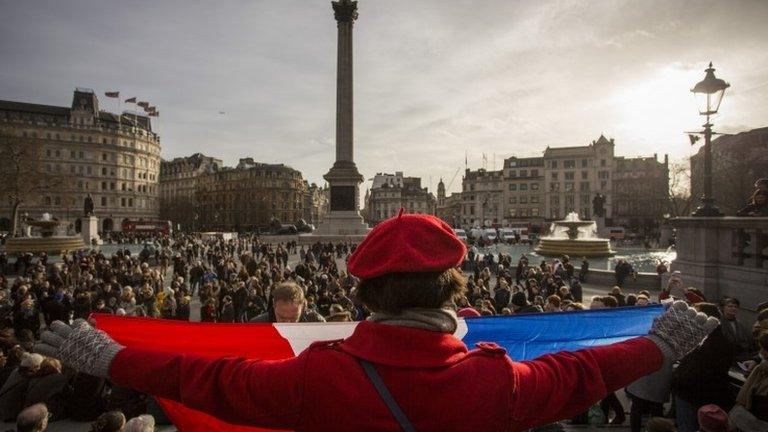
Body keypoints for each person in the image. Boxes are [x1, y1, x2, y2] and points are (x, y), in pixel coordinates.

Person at [36, 213, 718, 432]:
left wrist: (114, 356)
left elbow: (209, 377)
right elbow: (581, 370)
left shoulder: (324, 375)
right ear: (454, 284)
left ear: (365, 298)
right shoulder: (493, 383)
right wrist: (656, 345)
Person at [249, 282, 325, 323]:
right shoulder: (256, 326)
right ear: (274, 305)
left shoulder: (317, 323)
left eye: (293, 318)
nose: (287, 324)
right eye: (282, 318)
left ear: (303, 307)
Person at [720, 297, 755, 361]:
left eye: (735, 307)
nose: (733, 308)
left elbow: (747, 340)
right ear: (723, 308)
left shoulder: (740, 324)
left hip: (741, 355)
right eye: (730, 306)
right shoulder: (719, 323)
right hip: (725, 355)